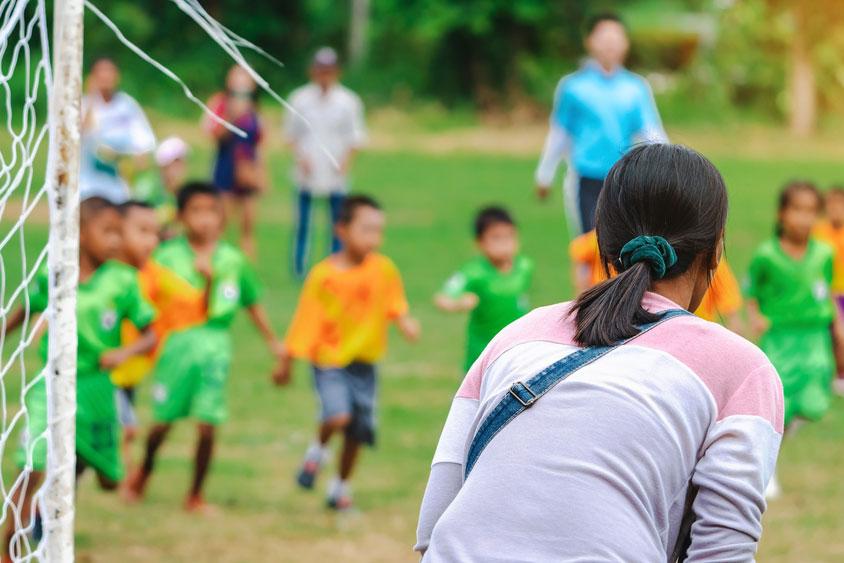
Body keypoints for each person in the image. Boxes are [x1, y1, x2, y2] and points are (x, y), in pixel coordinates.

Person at [416, 144, 782, 561]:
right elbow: (722, 553)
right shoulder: (741, 369)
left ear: (602, 244)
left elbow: (435, 523)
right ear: (716, 249)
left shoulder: (515, 336)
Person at [3, 197, 156, 562]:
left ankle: (57, 497)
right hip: (51, 384)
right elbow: (27, 309)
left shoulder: (123, 281)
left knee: (107, 479)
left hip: (98, 390)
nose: (117, 241)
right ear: (79, 234)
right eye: (108, 232)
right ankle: (8, 548)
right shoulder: (55, 272)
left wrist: (122, 353)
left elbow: (151, 333)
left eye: (120, 233)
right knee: (32, 465)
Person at [125, 182, 284, 512]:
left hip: (216, 347)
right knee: (163, 421)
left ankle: (195, 494)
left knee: (208, 423)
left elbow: (251, 302)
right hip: (176, 348)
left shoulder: (233, 260)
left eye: (212, 211)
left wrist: (273, 342)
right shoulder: (165, 257)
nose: (206, 219)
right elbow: (141, 300)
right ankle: (144, 472)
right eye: (196, 211)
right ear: (182, 216)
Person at [275, 195, 420, 511]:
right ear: (341, 229)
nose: (374, 239)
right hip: (330, 360)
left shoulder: (383, 269)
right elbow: (304, 320)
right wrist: (286, 360)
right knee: (338, 415)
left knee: (358, 432)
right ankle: (318, 451)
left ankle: (340, 488)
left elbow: (395, 303)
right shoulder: (323, 276)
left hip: (365, 363)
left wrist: (406, 323)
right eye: (366, 230)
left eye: (378, 231)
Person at [535, 13, 666, 234]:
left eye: (615, 38)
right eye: (603, 38)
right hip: (587, 177)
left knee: (622, 243)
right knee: (589, 243)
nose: (610, 44)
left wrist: (670, 164)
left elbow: (650, 131)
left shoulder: (635, 88)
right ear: (589, 42)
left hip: (624, 179)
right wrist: (544, 173)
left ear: (625, 43)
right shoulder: (573, 87)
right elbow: (560, 134)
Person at [747, 181, 835, 498]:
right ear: (783, 213)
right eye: (797, 209)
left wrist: (835, 325)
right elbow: (751, 290)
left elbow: (825, 291)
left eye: (811, 211)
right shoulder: (767, 255)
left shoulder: (824, 253)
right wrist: (755, 316)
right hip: (780, 339)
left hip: (814, 337)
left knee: (814, 404)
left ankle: (781, 439)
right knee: (778, 406)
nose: (804, 218)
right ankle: (767, 469)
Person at [285, 47, 367, 278]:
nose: (324, 75)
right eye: (321, 70)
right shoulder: (299, 99)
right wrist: (301, 158)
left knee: (338, 224)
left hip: (335, 171)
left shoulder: (348, 101)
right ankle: (300, 268)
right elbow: (291, 134)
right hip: (307, 170)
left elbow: (356, 137)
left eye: (328, 71)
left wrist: (345, 162)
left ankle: (335, 265)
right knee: (303, 223)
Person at [569, 228, 744, 331]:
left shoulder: (612, 235)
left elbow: (579, 252)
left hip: (614, 324)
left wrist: (584, 296)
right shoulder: (704, 254)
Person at [434, 207, 533, 372]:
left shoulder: (524, 266)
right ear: (480, 242)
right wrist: (458, 304)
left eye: (509, 236)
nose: (505, 244)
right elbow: (442, 298)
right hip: (482, 354)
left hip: (515, 351)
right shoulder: (474, 272)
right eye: (496, 238)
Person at [111, 201, 161, 476]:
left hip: (132, 369)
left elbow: (183, 296)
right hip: (103, 372)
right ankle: (120, 467)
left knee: (125, 425)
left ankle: (119, 465)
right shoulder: (102, 273)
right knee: (127, 426)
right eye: (142, 231)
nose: (151, 241)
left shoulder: (152, 274)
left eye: (155, 233)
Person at [205, 66, 268, 258]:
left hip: (248, 167)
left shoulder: (255, 107)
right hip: (226, 166)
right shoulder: (220, 103)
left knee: (248, 227)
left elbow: (260, 142)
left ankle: (246, 271)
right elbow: (214, 135)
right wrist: (232, 116)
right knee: (220, 222)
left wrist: (261, 172)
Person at [80, 57, 156, 203]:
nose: (105, 76)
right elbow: (81, 134)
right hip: (89, 181)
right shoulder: (84, 104)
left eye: (109, 71)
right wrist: (91, 96)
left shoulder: (127, 105)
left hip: (119, 183)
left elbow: (144, 142)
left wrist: (128, 159)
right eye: (101, 72)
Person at [813, 186, 844, 392]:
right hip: (825, 291)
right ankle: (832, 375)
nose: (836, 209)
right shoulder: (818, 231)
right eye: (831, 204)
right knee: (831, 333)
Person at [133, 136, 189, 238]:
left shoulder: (180, 192)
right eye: (175, 163)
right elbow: (138, 218)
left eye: (182, 162)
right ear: (163, 165)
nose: (180, 168)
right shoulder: (149, 187)